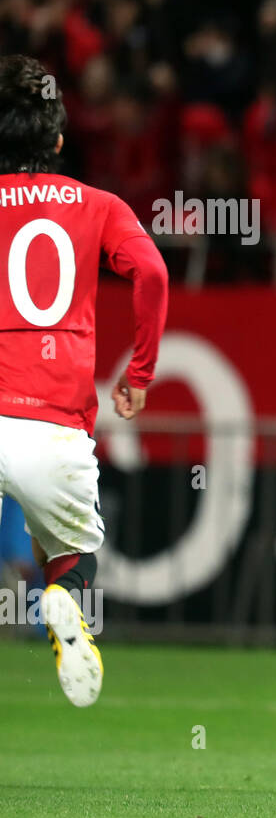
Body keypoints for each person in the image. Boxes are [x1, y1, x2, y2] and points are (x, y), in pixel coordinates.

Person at [0, 54, 168, 707]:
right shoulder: (97, 205)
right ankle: (65, 603)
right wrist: (141, 372)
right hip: (54, 424)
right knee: (71, 556)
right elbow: (152, 273)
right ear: (60, 141)